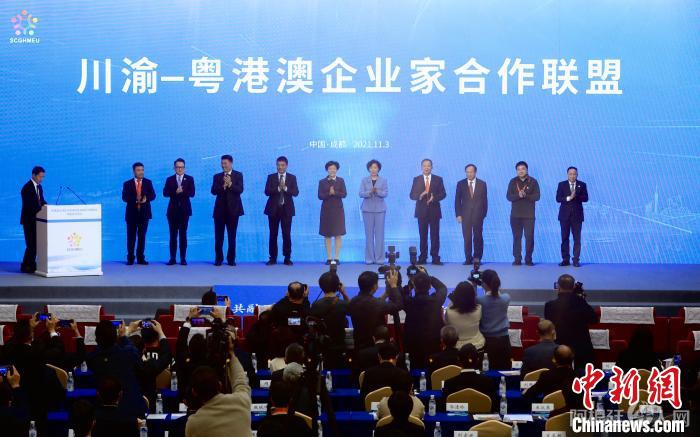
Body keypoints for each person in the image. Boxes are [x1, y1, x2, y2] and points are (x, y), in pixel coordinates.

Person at [86, 320, 146, 418]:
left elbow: (101, 350)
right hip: (130, 411)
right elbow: (133, 352)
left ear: (96, 340)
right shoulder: (128, 353)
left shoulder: (92, 358)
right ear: (115, 337)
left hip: (103, 413)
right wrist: (124, 335)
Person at [185, 360, 252, 437]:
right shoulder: (241, 401)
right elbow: (240, 381)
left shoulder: (193, 424)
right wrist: (232, 357)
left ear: (194, 392)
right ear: (220, 385)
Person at [544, 274, 597, 370]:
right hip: (581, 350)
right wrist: (581, 298)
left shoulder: (549, 305)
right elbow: (594, 319)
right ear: (573, 287)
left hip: (559, 349)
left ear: (558, 287)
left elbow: (548, 324)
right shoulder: (581, 303)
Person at [401, 267, 447, 369]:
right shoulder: (436, 300)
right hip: (433, 345)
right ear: (430, 286)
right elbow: (442, 288)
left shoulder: (408, 302)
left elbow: (402, 294)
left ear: (414, 286)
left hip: (413, 346)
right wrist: (427, 276)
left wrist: (410, 285)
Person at [348, 270, 403, 350]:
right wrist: (394, 286)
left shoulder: (353, 301)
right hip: (375, 348)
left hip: (359, 345)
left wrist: (385, 294)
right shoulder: (377, 304)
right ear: (374, 286)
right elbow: (398, 305)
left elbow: (371, 303)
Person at [309, 271, 350, 368]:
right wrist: (344, 293)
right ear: (338, 286)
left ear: (321, 286)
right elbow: (351, 309)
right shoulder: (342, 304)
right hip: (340, 343)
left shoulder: (315, 305)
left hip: (322, 344)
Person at [409, 159, 446, 265]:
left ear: (432, 167)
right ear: (421, 167)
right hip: (421, 212)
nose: (426, 167)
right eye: (424, 166)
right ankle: (423, 257)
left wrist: (434, 198)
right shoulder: (417, 179)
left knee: (435, 236)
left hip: (434, 211)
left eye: (428, 165)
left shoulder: (438, 179)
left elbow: (443, 194)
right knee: (423, 236)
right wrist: (420, 196)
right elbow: (411, 195)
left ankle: (435, 258)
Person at [264, 156, 299, 266]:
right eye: (278, 165)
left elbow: (296, 192)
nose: (280, 167)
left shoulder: (292, 177)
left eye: (282, 165)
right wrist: (278, 188)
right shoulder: (271, 177)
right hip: (273, 210)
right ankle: (272, 258)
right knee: (273, 234)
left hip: (287, 210)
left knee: (286, 234)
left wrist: (286, 188)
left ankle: (287, 258)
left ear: (286, 166)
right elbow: (267, 192)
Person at [523, 345, 582, 410]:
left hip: (550, 412)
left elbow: (530, 394)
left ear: (554, 360)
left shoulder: (546, 375)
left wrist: (526, 392)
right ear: (572, 359)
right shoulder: (578, 377)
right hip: (571, 413)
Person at [442, 344, 498, 411]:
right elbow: (493, 407)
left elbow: (445, 408)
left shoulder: (449, 384)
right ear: (477, 360)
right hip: (482, 417)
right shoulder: (488, 382)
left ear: (458, 360)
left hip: (457, 417)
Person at [211, 154, 244, 266]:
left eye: (225, 163)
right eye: (222, 163)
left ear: (231, 163)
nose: (223, 165)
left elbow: (240, 190)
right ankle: (218, 259)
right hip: (219, 211)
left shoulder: (238, 175)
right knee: (218, 236)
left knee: (232, 236)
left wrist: (230, 184)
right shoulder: (217, 176)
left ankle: (231, 259)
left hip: (233, 211)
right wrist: (223, 186)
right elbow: (213, 191)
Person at [476, 270, 512, 370]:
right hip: (504, 342)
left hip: (488, 342)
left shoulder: (479, 300)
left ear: (484, 284)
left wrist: (474, 285)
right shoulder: (506, 298)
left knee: (487, 372)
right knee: (504, 371)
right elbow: (497, 294)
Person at [506, 161, 540, 266]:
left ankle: (528, 259)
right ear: (516, 171)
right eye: (518, 169)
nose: (521, 171)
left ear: (527, 170)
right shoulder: (513, 181)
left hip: (529, 216)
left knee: (529, 237)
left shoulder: (533, 181)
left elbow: (537, 196)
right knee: (517, 237)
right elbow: (508, 197)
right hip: (515, 215)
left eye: (523, 169)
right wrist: (518, 195)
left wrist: (526, 195)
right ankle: (517, 259)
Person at [122, 162, 156, 265]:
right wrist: (135, 200)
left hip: (144, 214)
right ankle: (130, 258)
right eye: (138, 170)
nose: (141, 172)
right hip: (131, 214)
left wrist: (146, 198)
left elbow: (153, 195)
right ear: (134, 171)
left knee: (142, 236)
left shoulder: (148, 182)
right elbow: (124, 197)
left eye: (142, 170)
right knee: (131, 237)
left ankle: (141, 258)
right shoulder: (127, 184)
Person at [163, 158, 195, 265]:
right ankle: (172, 258)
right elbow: (165, 193)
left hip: (185, 211)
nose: (180, 169)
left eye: (181, 167)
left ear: (184, 168)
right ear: (174, 168)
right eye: (177, 167)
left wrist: (183, 191)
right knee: (173, 235)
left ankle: (183, 258)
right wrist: (175, 191)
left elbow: (192, 193)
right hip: (172, 211)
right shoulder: (169, 179)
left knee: (183, 235)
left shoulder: (189, 179)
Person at [454, 164, 488, 265]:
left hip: (478, 215)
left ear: (475, 172)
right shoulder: (460, 184)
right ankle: (468, 258)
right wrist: (458, 214)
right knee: (467, 238)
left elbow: (485, 201)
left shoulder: (482, 184)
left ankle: (477, 258)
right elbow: (457, 200)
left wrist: (483, 214)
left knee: (478, 237)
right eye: (467, 172)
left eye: (471, 172)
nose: (469, 174)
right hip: (465, 215)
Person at [556, 166, 588, 267]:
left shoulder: (582, 185)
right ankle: (565, 259)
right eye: (570, 174)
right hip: (564, 216)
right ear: (567, 174)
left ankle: (576, 260)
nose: (572, 176)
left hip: (577, 216)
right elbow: (558, 198)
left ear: (577, 174)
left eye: (574, 174)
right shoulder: (562, 184)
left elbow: (586, 198)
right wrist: (569, 198)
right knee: (564, 238)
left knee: (577, 239)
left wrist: (576, 196)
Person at [359, 159, 388, 264]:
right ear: (368, 169)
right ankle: (369, 258)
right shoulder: (364, 180)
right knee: (369, 235)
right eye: (371, 167)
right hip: (367, 210)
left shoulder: (383, 180)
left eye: (375, 167)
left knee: (380, 235)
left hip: (380, 210)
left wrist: (377, 191)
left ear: (378, 169)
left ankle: (380, 258)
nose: (373, 169)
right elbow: (361, 193)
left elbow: (385, 193)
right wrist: (369, 192)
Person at [318, 161, 347, 264]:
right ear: (327, 170)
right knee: (327, 234)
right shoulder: (322, 182)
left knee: (338, 234)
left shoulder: (341, 180)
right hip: (326, 210)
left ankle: (337, 257)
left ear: (337, 170)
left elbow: (344, 194)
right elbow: (320, 196)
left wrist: (335, 192)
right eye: (330, 168)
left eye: (334, 168)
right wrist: (328, 193)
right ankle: (329, 258)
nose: (332, 170)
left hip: (338, 210)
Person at [20, 166, 47, 273]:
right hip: (28, 220)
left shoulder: (39, 187)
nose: (42, 179)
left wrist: (48, 207)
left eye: (43, 177)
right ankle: (29, 266)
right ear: (33, 175)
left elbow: (42, 201)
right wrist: (41, 208)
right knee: (31, 244)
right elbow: (30, 206)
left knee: (34, 244)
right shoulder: (26, 188)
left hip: (37, 220)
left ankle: (26, 265)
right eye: (40, 176)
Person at [444, 281, 485, 350]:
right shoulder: (479, 309)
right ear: (473, 295)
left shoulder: (449, 312)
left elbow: (446, 323)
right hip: (477, 345)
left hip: (456, 347)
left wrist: (454, 301)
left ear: (456, 295)